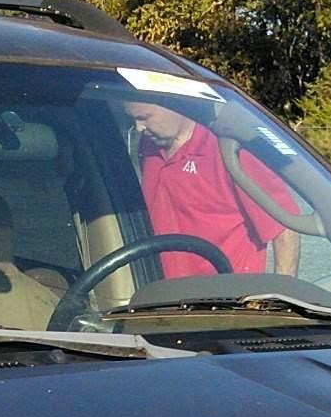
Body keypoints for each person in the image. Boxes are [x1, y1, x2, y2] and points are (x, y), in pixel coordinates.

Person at [124, 94, 303, 281]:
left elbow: (285, 229)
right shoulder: (148, 146)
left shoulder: (231, 150)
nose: (138, 128)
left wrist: (280, 298)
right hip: (159, 297)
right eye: (133, 119)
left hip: (222, 300)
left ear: (172, 104)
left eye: (143, 118)